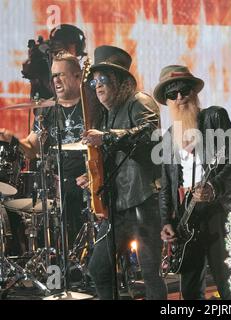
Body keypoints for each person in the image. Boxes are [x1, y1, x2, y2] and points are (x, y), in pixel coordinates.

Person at [154, 65, 231, 300]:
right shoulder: (168, 136)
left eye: (184, 90)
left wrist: (213, 187)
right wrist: (166, 220)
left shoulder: (214, 116)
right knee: (189, 289)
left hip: (216, 211)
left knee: (226, 281)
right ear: (166, 101)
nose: (179, 98)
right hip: (185, 218)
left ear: (194, 93)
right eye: (172, 93)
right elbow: (166, 186)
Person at [80, 45, 167, 300]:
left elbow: (149, 133)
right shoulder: (107, 115)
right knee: (98, 268)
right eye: (94, 80)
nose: (97, 85)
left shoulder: (139, 101)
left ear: (119, 80)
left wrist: (106, 137)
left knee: (150, 273)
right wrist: (93, 177)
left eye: (103, 79)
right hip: (116, 207)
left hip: (144, 202)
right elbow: (111, 157)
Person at [0, 51, 88, 249]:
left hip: (88, 181)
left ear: (77, 76)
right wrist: (12, 140)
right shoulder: (47, 110)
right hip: (58, 185)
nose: (55, 80)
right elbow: (33, 148)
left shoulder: (92, 106)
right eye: (53, 75)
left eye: (61, 75)